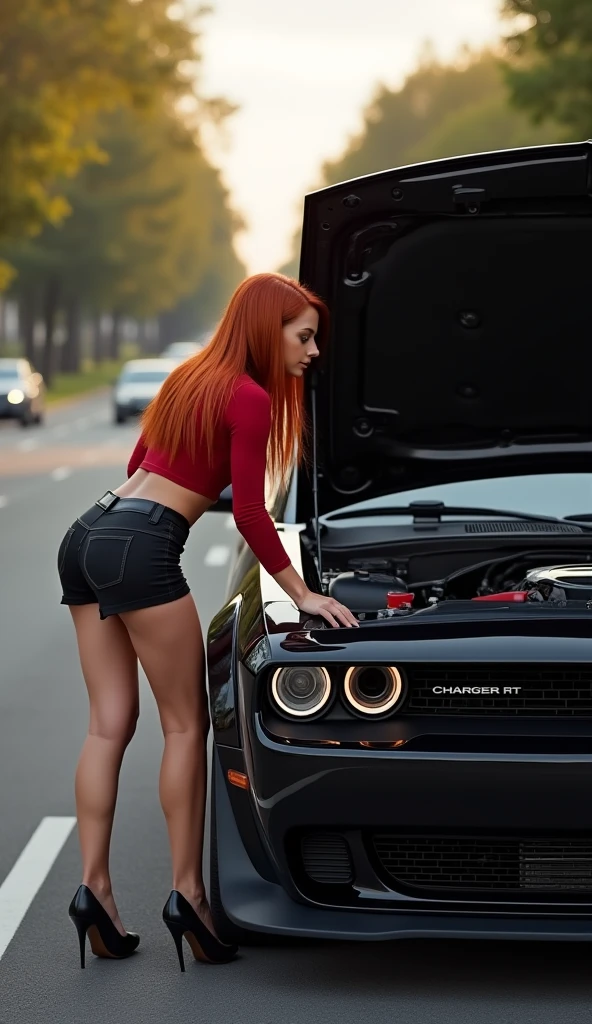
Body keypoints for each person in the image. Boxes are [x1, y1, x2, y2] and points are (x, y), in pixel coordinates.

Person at [57, 273, 358, 972]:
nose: (313, 351)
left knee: (107, 724)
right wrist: (301, 592)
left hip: (91, 531)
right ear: (266, 329)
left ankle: (93, 890)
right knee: (187, 724)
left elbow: (140, 465)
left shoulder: (189, 377)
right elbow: (252, 513)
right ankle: (189, 895)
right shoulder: (249, 397)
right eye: (304, 336)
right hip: (142, 542)